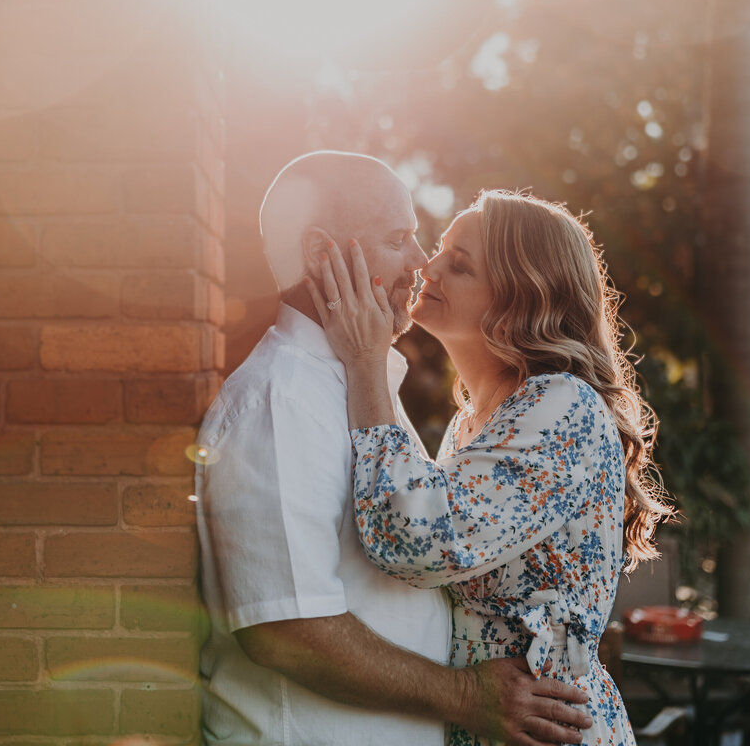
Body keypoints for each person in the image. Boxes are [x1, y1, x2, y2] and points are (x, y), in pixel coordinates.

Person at [194, 153, 594, 746]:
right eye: (398, 238)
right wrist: (464, 695)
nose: (420, 264)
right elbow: (284, 629)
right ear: (322, 255)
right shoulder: (282, 400)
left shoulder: (356, 385)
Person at [306, 189, 675, 746]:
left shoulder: (561, 406)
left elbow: (415, 539)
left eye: (459, 265)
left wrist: (364, 361)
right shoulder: (476, 420)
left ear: (520, 301)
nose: (426, 268)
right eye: (440, 251)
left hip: (551, 728)